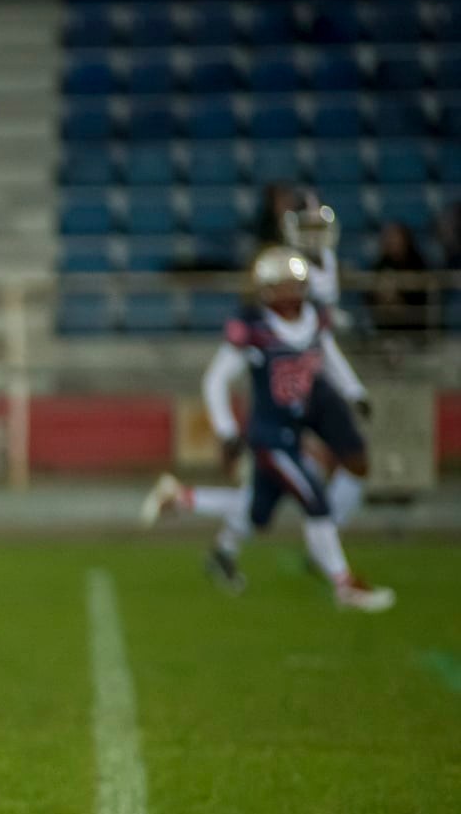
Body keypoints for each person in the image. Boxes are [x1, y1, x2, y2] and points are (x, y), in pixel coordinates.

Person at [146, 247, 392, 610]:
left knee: (255, 512)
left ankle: (181, 499)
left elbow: (328, 354)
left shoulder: (314, 318)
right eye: (285, 285)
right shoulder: (254, 326)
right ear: (267, 288)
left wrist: (354, 390)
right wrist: (227, 432)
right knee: (315, 500)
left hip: (297, 425)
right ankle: (344, 583)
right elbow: (215, 380)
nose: (293, 292)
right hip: (271, 435)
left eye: (297, 284)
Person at [365, 221, 431, 334]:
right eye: (387, 237)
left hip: (414, 319)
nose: (390, 241)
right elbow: (370, 291)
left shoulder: (417, 262)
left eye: (394, 237)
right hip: (385, 317)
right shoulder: (381, 264)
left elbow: (422, 292)